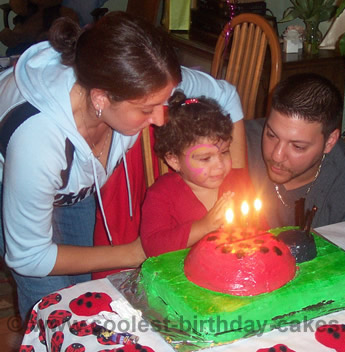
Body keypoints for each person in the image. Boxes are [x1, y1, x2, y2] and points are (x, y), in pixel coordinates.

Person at [0, 11, 246, 321]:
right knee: (52, 309)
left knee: (81, 295)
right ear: (100, 98)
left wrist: (237, 180)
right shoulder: (37, 141)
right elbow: (29, 256)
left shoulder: (139, 82)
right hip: (11, 178)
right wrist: (133, 252)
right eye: (147, 109)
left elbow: (227, 95)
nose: (160, 119)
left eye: (164, 102)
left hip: (72, 183)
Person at [245, 73, 345, 229]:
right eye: (271, 135)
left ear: (329, 142)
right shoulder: (239, 143)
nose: (276, 155)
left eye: (297, 146)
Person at [140, 91, 258, 257]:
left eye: (224, 152)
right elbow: (153, 246)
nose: (219, 166)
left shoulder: (238, 184)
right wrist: (205, 226)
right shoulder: (161, 194)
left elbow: (260, 229)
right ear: (174, 160)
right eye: (205, 158)